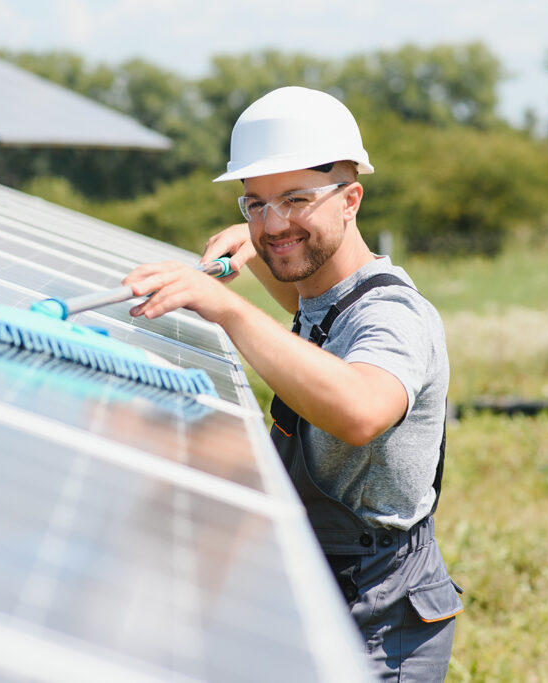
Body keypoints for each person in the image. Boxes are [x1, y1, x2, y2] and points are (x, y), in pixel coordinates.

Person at [123, 86, 463, 681]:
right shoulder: (321, 294)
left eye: (297, 199)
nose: (273, 222)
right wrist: (255, 246)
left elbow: (360, 410)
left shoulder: (391, 316)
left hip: (379, 616)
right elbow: (300, 285)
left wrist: (223, 307)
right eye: (255, 202)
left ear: (351, 199)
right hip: (322, 584)